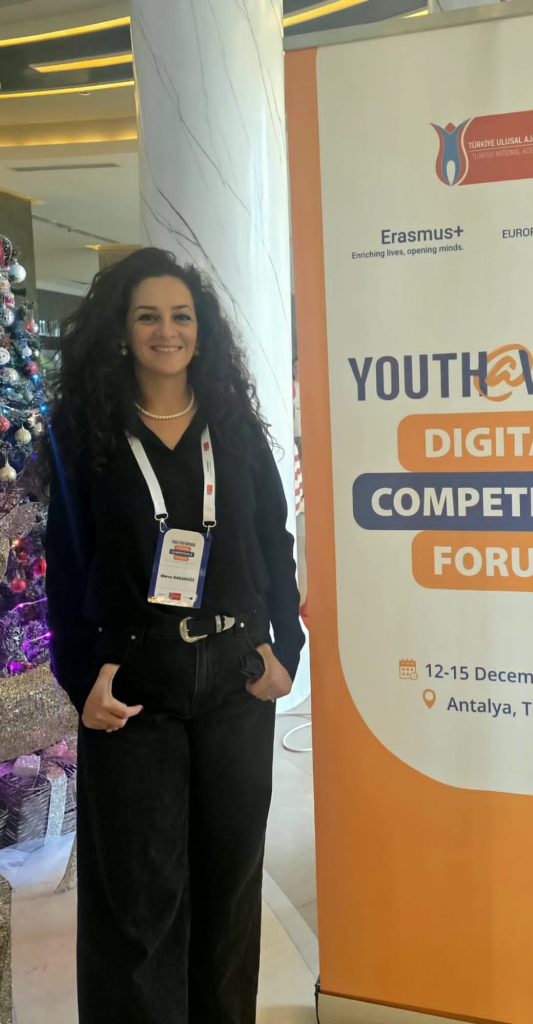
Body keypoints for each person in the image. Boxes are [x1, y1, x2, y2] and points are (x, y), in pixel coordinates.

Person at [44, 247, 305, 1024]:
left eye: (181, 316)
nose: (167, 331)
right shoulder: (88, 433)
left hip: (234, 675)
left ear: (202, 330)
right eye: (148, 316)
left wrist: (285, 650)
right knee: (138, 908)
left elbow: (273, 538)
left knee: (229, 892)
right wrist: (82, 675)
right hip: (136, 682)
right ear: (122, 331)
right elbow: (66, 562)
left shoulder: (234, 426)